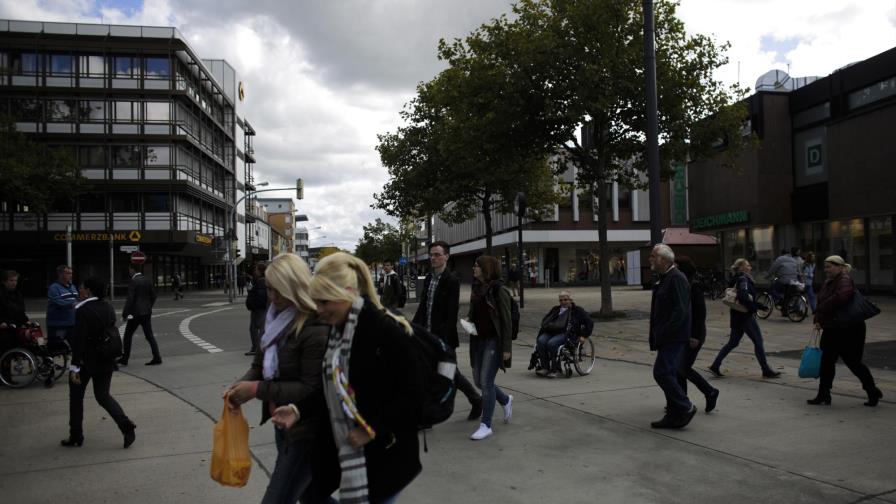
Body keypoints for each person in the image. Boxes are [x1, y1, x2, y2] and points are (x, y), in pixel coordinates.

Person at [272, 251, 423, 503]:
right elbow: (332, 388)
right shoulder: (339, 331)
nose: (318, 310)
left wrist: (371, 429)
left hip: (387, 457)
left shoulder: (386, 331)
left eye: (324, 302)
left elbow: (413, 397)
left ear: (348, 292)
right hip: (352, 454)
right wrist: (298, 410)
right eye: (316, 302)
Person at [224, 254, 331, 503]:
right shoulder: (273, 319)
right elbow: (259, 366)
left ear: (295, 288)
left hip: (307, 430)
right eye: (270, 289)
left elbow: (311, 389)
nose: (272, 298)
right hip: (282, 424)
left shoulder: (315, 327)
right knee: (311, 497)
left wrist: (255, 389)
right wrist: (240, 386)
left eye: (278, 291)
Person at [63, 276, 136, 449]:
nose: (79, 290)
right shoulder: (108, 307)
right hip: (106, 357)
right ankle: (126, 426)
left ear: (89, 290)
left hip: (86, 360)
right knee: (103, 396)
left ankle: (76, 435)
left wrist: (74, 366)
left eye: (81, 287)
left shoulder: (83, 310)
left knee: (76, 398)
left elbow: (79, 341)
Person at [412, 241, 482, 421]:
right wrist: (413, 328)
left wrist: (441, 343)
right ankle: (429, 414)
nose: (433, 258)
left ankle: (475, 400)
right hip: (426, 336)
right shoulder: (429, 278)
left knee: (449, 374)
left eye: (437, 254)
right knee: (432, 374)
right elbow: (423, 307)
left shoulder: (451, 281)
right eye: (431, 255)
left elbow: (451, 316)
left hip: (442, 339)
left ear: (446, 257)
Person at [807, 255, 882, 407]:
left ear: (840, 267)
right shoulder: (830, 281)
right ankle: (823, 394)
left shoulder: (844, 280)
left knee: (853, 363)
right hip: (833, 328)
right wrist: (818, 319)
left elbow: (840, 298)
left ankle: (872, 390)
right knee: (827, 362)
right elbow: (822, 300)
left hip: (850, 329)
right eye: (826, 267)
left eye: (830, 266)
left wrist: (820, 309)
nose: (827, 270)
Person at [647, 244, 697, 429]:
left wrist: (665, 331)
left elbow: (681, 311)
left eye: (653, 256)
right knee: (668, 373)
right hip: (666, 336)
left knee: (661, 372)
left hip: (673, 337)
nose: (650, 259)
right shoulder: (665, 278)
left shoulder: (676, 278)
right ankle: (674, 413)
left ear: (664, 259)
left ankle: (685, 406)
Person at [465, 255, 513, 441]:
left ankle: (486, 425)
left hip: (494, 341)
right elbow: (473, 309)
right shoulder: (476, 288)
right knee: (479, 381)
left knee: (485, 382)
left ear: (487, 269)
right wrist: (468, 319)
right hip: (478, 339)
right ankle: (505, 400)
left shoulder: (499, 290)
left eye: (477, 266)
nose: (473, 269)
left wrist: (507, 348)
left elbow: (506, 321)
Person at [708, 259, 780, 379]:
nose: (750, 267)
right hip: (745, 316)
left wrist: (758, 306)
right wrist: (756, 307)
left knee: (733, 342)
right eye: (747, 265)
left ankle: (715, 365)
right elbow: (743, 297)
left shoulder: (737, 278)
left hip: (736, 316)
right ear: (742, 268)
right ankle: (766, 369)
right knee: (758, 341)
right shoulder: (743, 279)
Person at [673, 257, 720, 413]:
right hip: (684, 334)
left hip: (694, 335)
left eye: (676, 267)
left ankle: (710, 391)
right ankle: (682, 401)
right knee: (679, 369)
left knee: (682, 368)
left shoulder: (694, 288)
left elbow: (700, 314)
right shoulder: (682, 285)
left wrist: (695, 336)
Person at [533, 290, 593, 378]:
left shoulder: (578, 311)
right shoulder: (555, 309)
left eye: (565, 300)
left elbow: (589, 322)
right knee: (541, 341)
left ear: (570, 300)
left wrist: (584, 336)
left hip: (567, 334)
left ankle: (556, 369)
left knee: (552, 343)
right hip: (551, 331)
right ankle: (545, 367)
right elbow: (546, 320)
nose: (563, 302)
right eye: (561, 300)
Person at [118, 265, 161, 366]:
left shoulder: (134, 281)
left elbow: (130, 299)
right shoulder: (147, 280)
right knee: (149, 335)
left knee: (128, 335)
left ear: (133, 270)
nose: (129, 271)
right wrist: (149, 306)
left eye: (129, 269)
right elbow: (154, 295)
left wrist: (125, 314)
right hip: (146, 312)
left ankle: (125, 358)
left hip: (135, 313)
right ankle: (157, 357)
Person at [46, 264, 79, 387]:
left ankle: (74, 371)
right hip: (58, 325)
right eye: (67, 273)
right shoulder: (54, 288)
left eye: (71, 273)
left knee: (76, 348)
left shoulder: (72, 287)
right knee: (54, 351)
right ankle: (50, 374)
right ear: (60, 274)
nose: (70, 275)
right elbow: (58, 302)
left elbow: (77, 300)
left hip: (72, 324)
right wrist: (73, 303)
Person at [1, 270, 29, 351]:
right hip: (5, 326)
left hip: (16, 325)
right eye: (11, 280)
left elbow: (21, 311)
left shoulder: (18, 294)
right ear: (4, 282)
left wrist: (26, 321)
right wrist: (2, 322)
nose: (14, 283)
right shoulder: (1, 294)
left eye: (15, 280)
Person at [245, 262, 269, 356]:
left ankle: (256, 348)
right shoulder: (261, 280)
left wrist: (252, 304)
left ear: (260, 271)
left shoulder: (261, 281)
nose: (255, 271)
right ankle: (259, 347)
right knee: (259, 328)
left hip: (258, 309)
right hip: (260, 309)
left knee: (255, 328)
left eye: (256, 269)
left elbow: (260, 297)